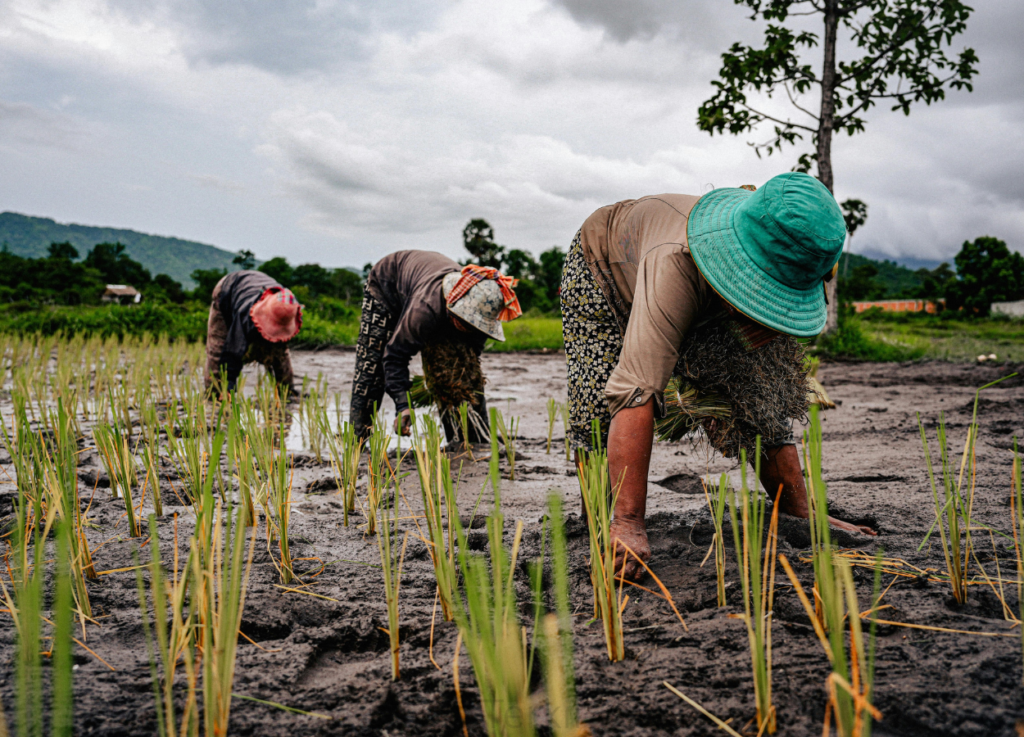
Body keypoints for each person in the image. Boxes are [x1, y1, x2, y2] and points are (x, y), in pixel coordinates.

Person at [560, 172, 877, 581]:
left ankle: (797, 508)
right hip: (603, 264)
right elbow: (634, 390)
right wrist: (629, 523)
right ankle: (605, 520)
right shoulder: (674, 264)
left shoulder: (804, 250)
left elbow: (759, 395)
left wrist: (804, 516)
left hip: (698, 279)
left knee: (756, 387)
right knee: (597, 404)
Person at [350, 250, 521, 441]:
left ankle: (471, 438)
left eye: (474, 325)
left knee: (453, 370)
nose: (470, 329)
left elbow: (470, 368)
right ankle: (357, 438)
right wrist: (403, 405)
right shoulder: (425, 310)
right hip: (387, 285)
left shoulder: (480, 322)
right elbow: (395, 356)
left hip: (426, 288)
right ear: (455, 309)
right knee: (372, 365)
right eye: (467, 323)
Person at [204, 270, 302, 396]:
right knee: (218, 347)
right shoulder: (245, 315)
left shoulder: (288, 306)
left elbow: (281, 352)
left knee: (278, 350)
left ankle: (287, 390)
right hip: (227, 288)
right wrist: (228, 387)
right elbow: (232, 351)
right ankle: (215, 393)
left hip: (255, 286)